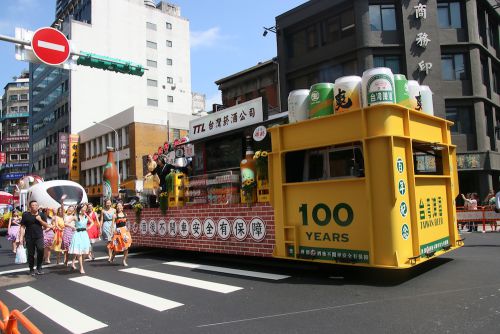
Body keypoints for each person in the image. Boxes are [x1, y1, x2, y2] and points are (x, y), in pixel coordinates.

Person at [20, 200, 50, 276]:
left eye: (36, 205)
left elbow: (46, 226)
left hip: (39, 236)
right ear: (30, 207)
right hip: (29, 237)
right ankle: (31, 269)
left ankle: (39, 267)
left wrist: (40, 220)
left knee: (40, 250)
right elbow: (22, 226)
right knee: (30, 253)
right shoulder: (25, 215)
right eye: (33, 205)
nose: (35, 206)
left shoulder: (42, 215)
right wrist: (20, 238)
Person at [69, 203, 91, 274]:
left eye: (86, 208)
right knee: (79, 252)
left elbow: (93, 222)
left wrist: (88, 228)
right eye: (84, 207)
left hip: (84, 234)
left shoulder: (86, 216)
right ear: (80, 208)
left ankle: (79, 263)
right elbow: (66, 222)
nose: (85, 209)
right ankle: (81, 267)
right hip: (78, 234)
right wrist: (72, 227)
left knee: (85, 252)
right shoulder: (76, 216)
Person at [108, 202, 132, 266]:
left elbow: (127, 223)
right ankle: (112, 257)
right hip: (118, 231)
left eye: (120, 206)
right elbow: (112, 225)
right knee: (117, 247)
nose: (119, 207)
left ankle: (124, 260)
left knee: (126, 246)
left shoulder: (125, 214)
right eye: (117, 206)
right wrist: (112, 232)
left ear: (122, 207)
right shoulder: (115, 215)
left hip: (125, 231)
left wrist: (128, 229)